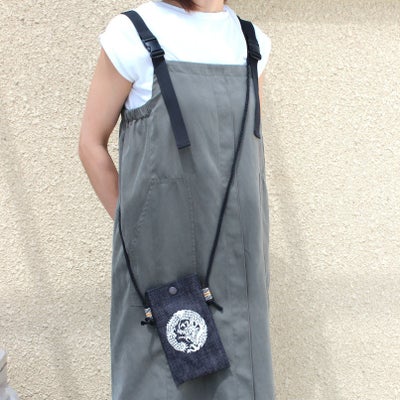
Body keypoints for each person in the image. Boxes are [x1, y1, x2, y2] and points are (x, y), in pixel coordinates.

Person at [78, 0, 275, 399]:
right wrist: (136, 233)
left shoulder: (252, 42)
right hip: (162, 266)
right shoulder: (132, 33)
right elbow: (90, 144)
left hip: (241, 268)